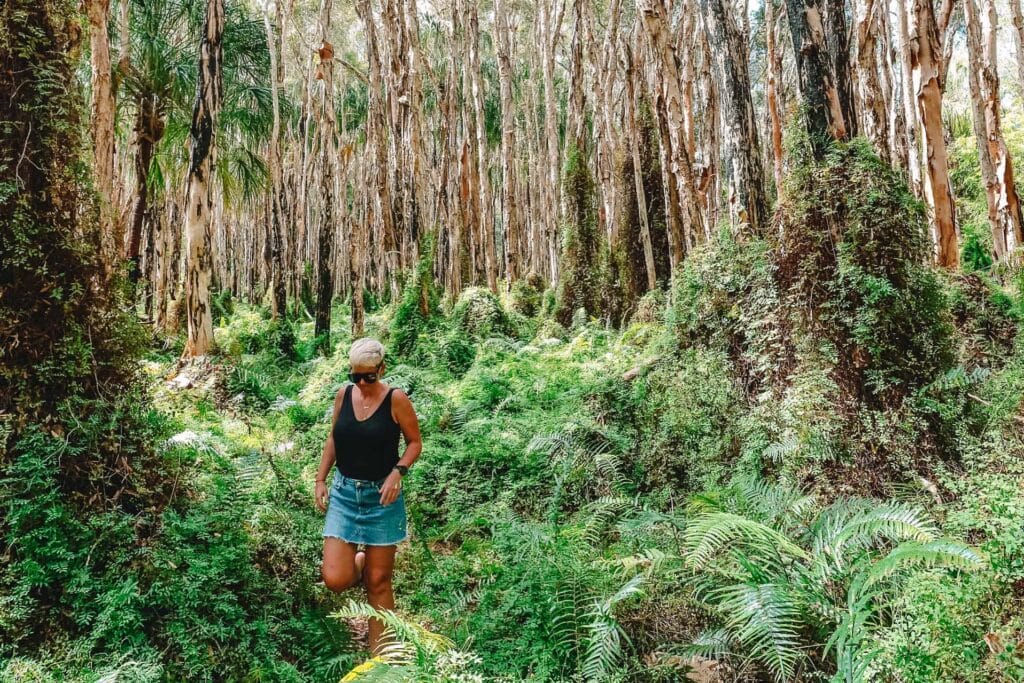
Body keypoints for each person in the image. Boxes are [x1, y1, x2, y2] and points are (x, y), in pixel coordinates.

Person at [315, 337, 422, 655]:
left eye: (368, 376)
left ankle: (382, 658)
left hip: (381, 498)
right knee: (335, 578)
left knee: (378, 582)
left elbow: (415, 443)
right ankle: (359, 562)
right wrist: (320, 479)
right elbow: (334, 438)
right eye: (355, 376)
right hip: (345, 494)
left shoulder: (396, 399)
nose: (361, 383)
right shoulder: (343, 395)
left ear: (381, 369)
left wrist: (398, 472)